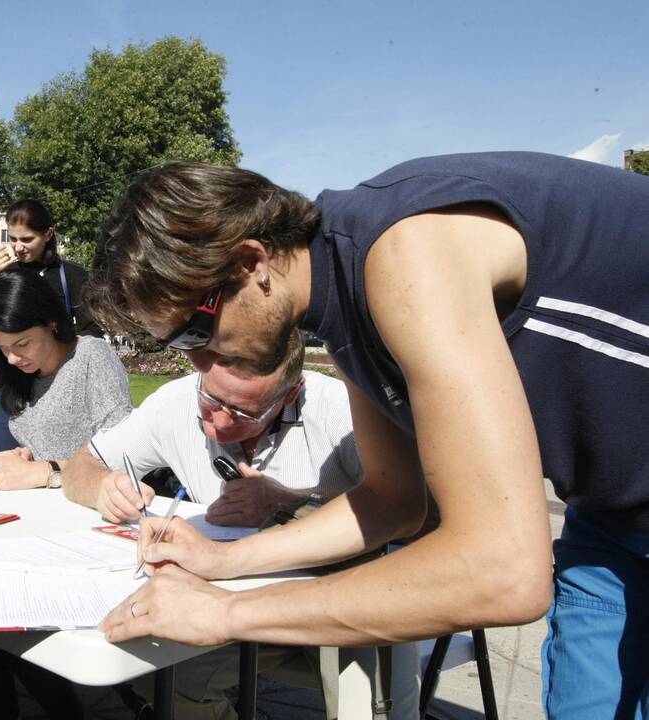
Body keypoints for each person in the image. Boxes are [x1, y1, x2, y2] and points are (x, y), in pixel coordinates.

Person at [87, 155, 649, 719]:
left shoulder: (406, 250)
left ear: (250, 262)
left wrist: (226, 614)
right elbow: (392, 501)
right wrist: (220, 562)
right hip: (610, 522)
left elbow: (502, 570)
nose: (197, 361)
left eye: (194, 332)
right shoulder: (344, 296)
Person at [63, 330, 420, 719]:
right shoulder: (174, 403)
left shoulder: (340, 413)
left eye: (245, 412)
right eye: (210, 400)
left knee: (369, 707)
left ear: (291, 393)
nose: (217, 423)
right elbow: (80, 465)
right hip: (237, 606)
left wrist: (287, 502)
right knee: (154, 670)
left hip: (342, 603)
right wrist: (102, 486)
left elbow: (417, 517)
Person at [0, 264, 132, 720]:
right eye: (2, 348)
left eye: (22, 344)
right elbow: (27, 445)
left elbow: (125, 457)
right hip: (39, 520)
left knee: (8, 616)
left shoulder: (90, 357)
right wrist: (19, 461)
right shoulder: (17, 375)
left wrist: (47, 473)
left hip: (94, 522)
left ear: (51, 323)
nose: (13, 358)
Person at [0, 199, 102, 453]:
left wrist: (56, 350)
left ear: (48, 234)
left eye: (27, 240)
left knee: (52, 456)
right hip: (14, 385)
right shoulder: (6, 274)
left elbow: (92, 330)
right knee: (4, 457)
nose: (18, 247)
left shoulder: (72, 276)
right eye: (12, 239)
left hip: (59, 385)